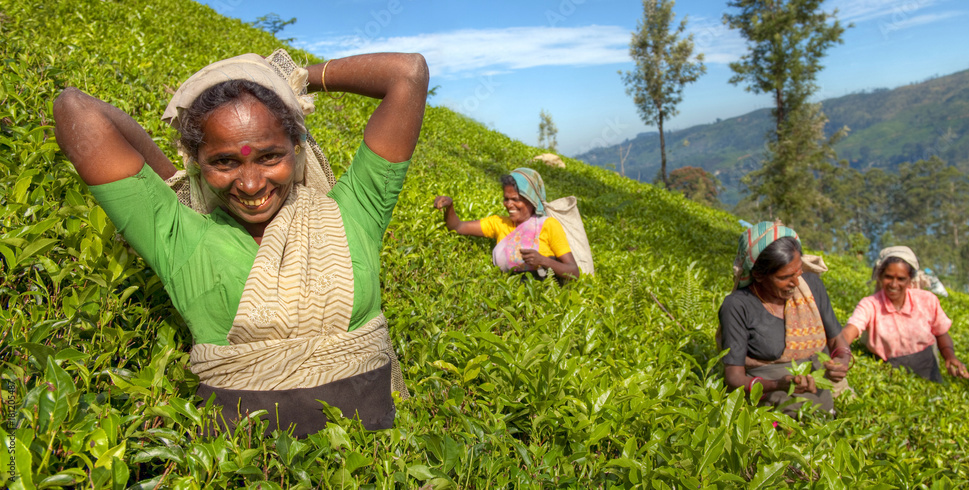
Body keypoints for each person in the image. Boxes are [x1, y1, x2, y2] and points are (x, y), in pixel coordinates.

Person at [52, 49, 429, 436]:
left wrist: (290, 78)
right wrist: (177, 181)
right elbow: (74, 109)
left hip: (372, 467)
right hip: (240, 470)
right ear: (197, 161)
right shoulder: (181, 239)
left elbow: (407, 73)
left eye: (269, 157)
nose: (251, 184)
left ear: (296, 147)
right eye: (225, 162)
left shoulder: (354, 213)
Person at [717, 221, 852, 416]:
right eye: (785, 277)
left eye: (798, 272)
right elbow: (734, 377)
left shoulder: (811, 285)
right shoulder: (738, 306)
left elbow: (836, 339)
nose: (796, 283)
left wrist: (842, 360)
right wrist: (778, 385)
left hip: (820, 388)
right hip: (769, 395)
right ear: (759, 275)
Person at [841, 246, 969, 382]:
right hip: (889, 372)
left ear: (910, 280)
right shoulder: (870, 305)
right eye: (888, 277)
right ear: (880, 277)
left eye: (901, 279)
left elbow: (941, 332)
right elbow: (850, 331)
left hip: (928, 368)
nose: (894, 284)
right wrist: (839, 353)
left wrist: (950, 357)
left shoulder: (927, 300)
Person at [433, 168, 579, 281]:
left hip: (543, 297)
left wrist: (543, 260)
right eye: (506, 199)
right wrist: (450, 206)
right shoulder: (499, 223)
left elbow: (573, 272)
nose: (509, 205)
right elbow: (457, 227)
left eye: (515, 199)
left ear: (531, 200)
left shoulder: (548, 225)